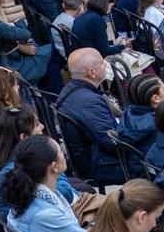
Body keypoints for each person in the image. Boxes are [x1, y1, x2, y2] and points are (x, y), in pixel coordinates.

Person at [53, 49, 125, 185]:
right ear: (92, 73)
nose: (105, 66)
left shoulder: (70, 89)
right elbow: (112, 143)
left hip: (89, 158)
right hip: (100, 165)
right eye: (102, 63)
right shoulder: (89, 102)